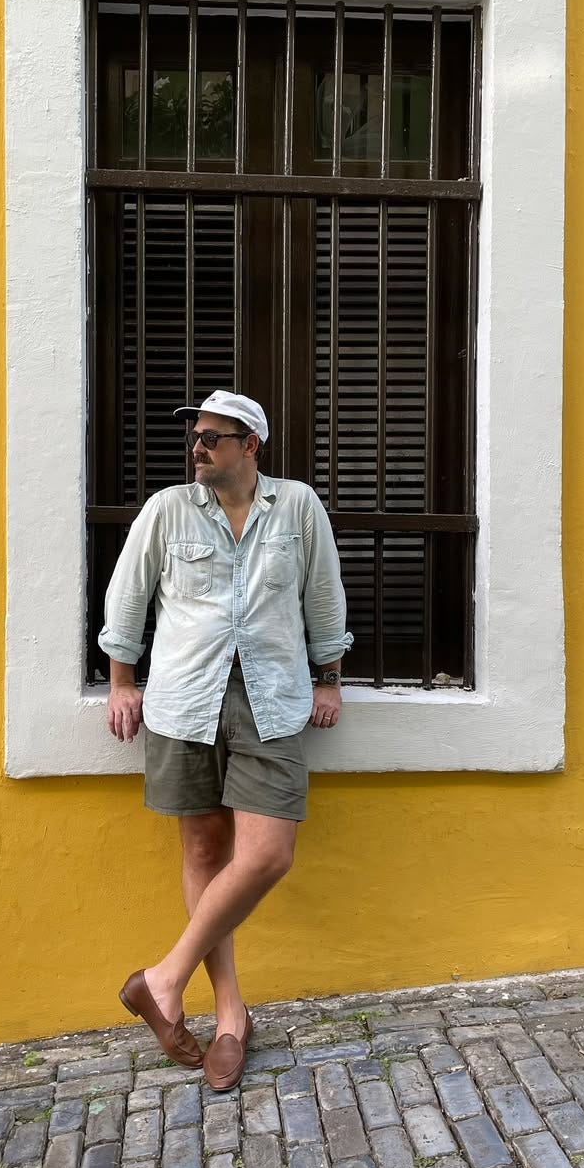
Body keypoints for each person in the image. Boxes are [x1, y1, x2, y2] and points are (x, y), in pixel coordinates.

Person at [99, 390, 353, 1091]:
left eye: (213, 437)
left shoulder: (297, 507)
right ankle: (230, 1014)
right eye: (196, 436)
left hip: (271, 698)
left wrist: (329, 676)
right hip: (185, 700)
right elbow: (128, 597)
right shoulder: (168, 510)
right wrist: (122, 681)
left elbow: (323, 594)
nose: (198, 447)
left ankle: (162, 979)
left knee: (267, 854)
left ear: (251, 446)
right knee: (205, 852)